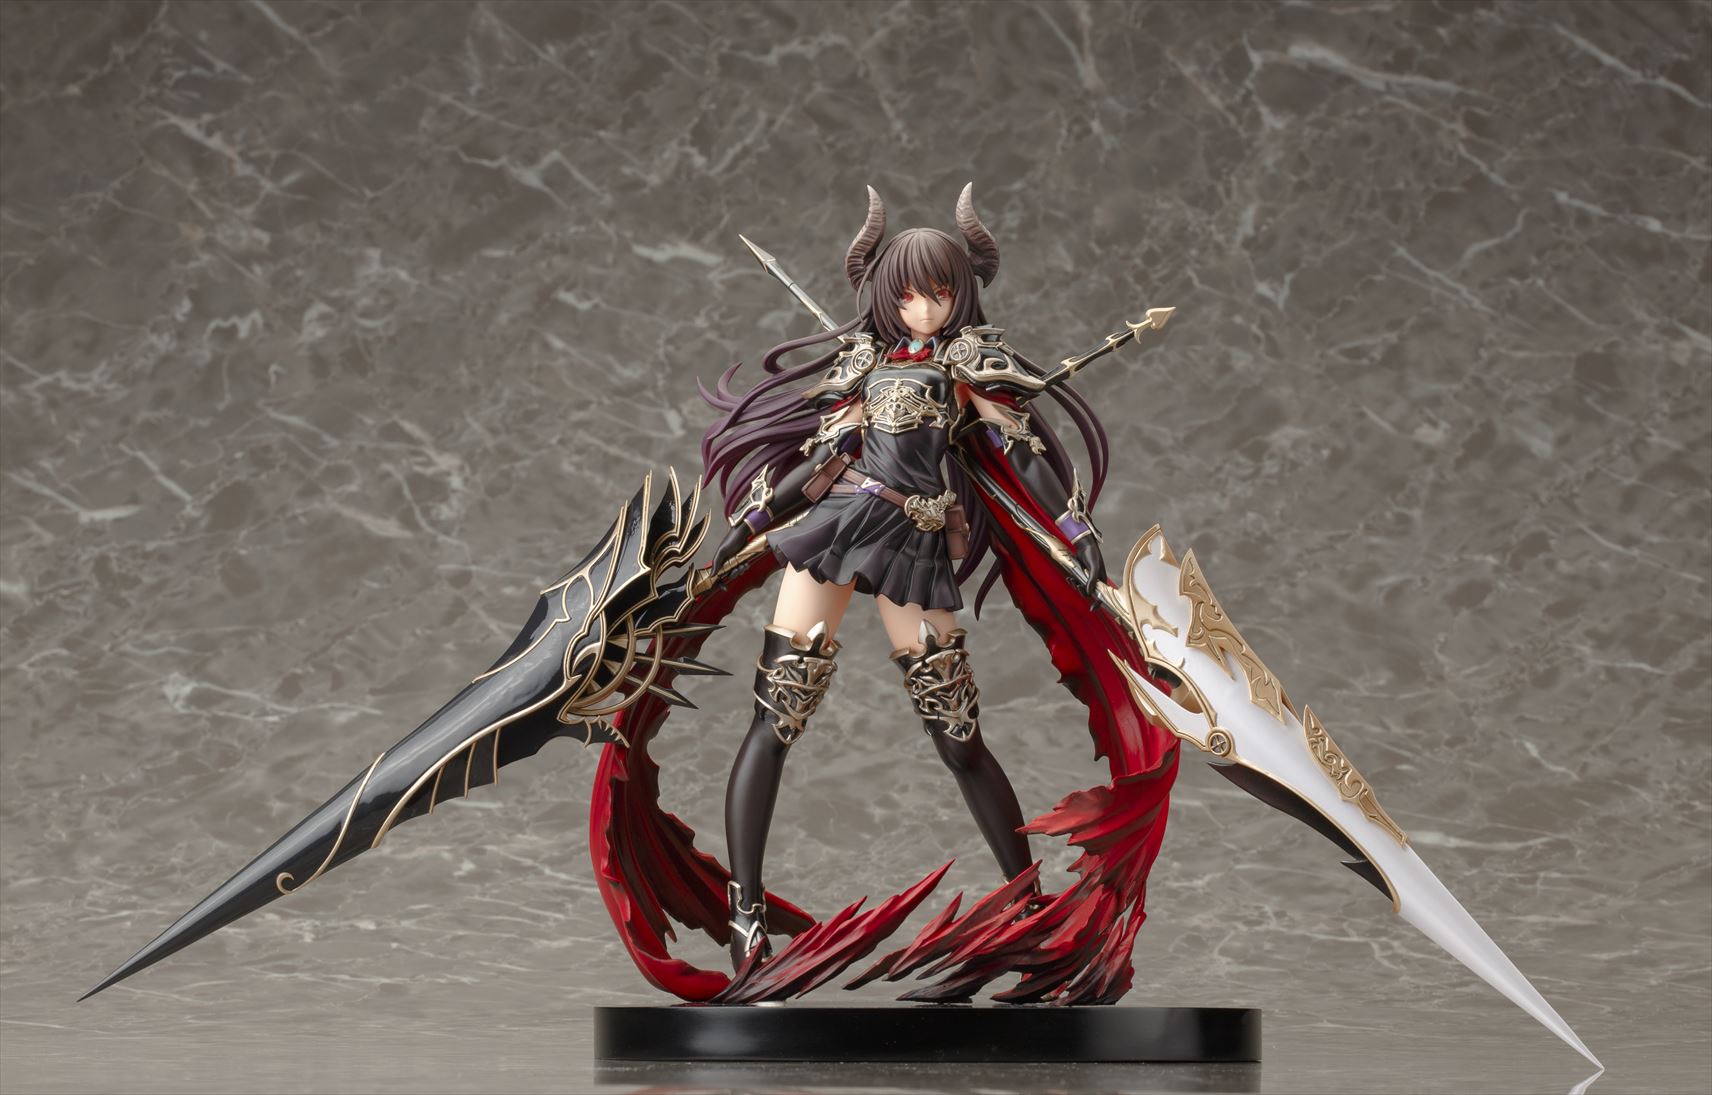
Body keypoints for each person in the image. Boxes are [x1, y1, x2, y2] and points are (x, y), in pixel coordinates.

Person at [701, 185, 1113, 968]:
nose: (923, 307)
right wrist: (750, 524)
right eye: (908, 293)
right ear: (885, 296)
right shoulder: (861, 366)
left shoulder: (967, 368)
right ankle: (745, 916)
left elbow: (1025, 453)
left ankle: (1027, 910)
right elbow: (821, 465)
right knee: (774, 717)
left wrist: (1077, 529)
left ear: (961, 296)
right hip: (838, 526)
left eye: (939, 293)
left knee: (958, 734)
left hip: (913, 546)